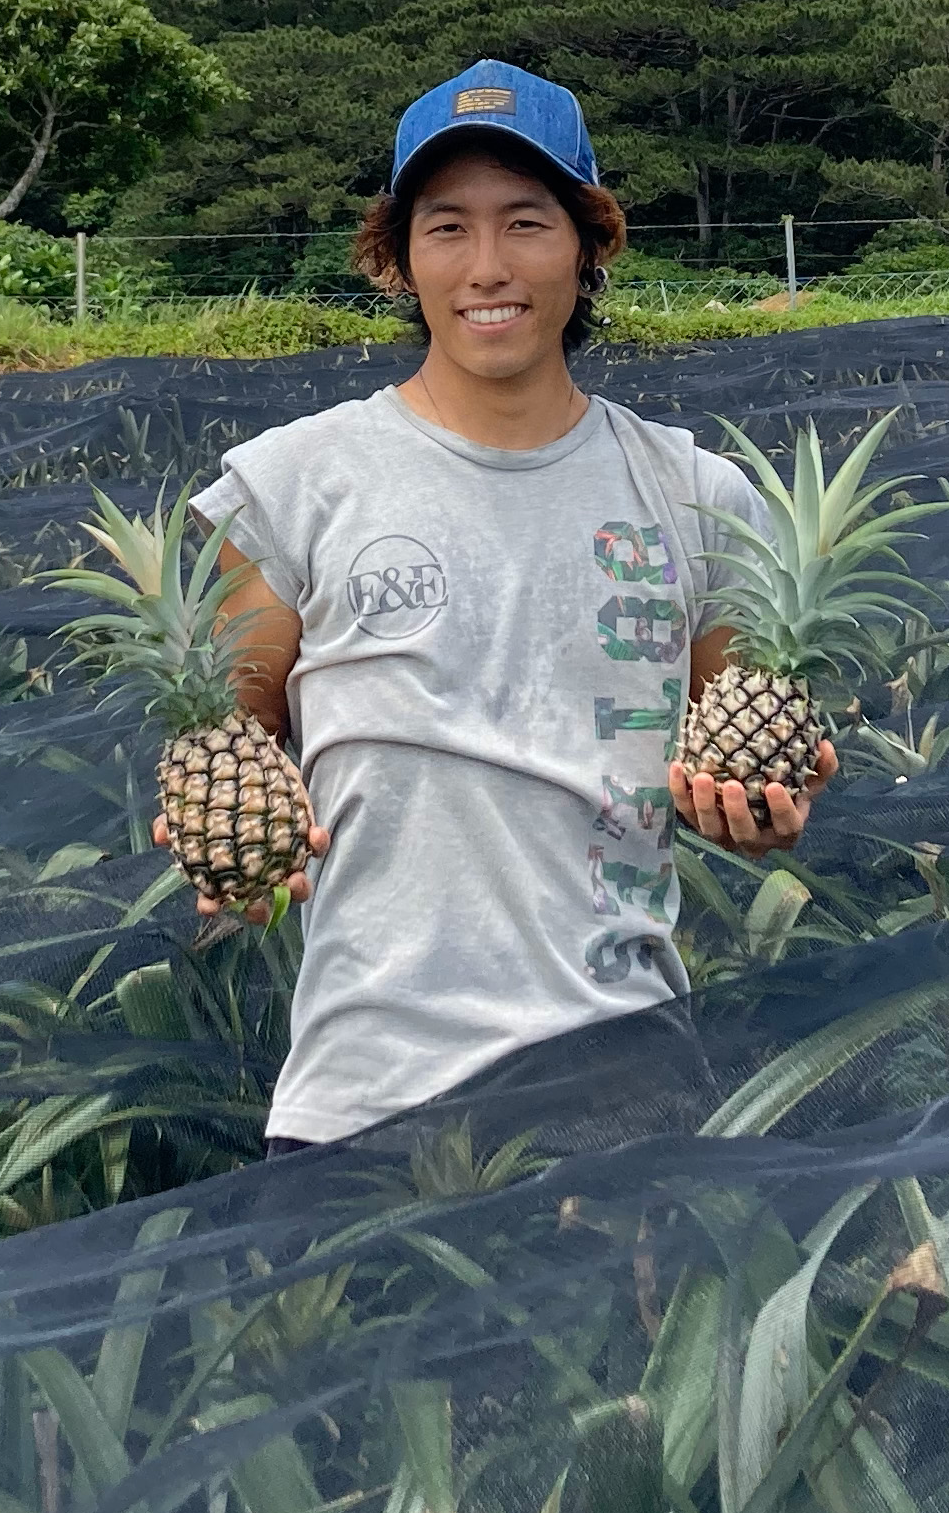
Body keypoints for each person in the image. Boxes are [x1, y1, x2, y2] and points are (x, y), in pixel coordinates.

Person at [167, 62, 829, 1154]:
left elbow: (738, 735)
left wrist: (761, 801)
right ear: (397, 258)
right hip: (365, 1086)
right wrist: (226, 816)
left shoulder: (695, 493)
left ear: (591, 243)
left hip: (629, 1068)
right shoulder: (297, 482)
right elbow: (229, 724)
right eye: (446, 229)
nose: (488, 267)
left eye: (527, 222)